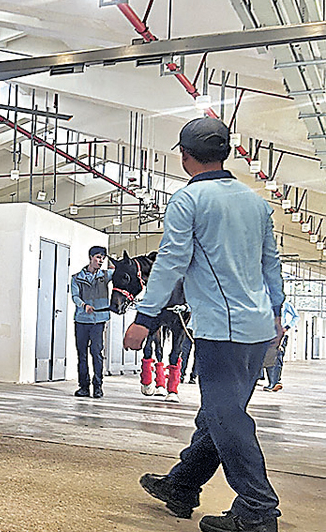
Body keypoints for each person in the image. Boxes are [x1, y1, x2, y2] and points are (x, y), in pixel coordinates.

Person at [122, 117, 284, 532]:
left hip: (220, 330)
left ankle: (258, 510)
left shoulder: (188, 200)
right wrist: (278, 314)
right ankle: (182, 485)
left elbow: (170, 263)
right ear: (226, 152)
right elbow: (271, 265)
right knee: (217, 414)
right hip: (258, 328)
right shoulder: (256, 202)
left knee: (227, 418)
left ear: (184, 155)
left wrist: (145, 318)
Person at [71, 246, 114, 398]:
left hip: (98, 321)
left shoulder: (105, 275)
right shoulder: (77, 278)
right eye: (98, 257)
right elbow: (75, 296)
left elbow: (121, 272)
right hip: (82, 320)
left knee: (97, 353)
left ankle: (98, 386)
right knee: (82, 355)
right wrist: (84, 306)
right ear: (90, 257)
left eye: (103, 258)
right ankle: (83, 387)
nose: (101, 260)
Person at [263, 325, 289, 392]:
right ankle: (274, 382)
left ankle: (274, 382)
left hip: (281, 335)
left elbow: (296, 317)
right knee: (269, 358)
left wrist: (287, 327)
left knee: (277, 357)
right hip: (272, 333)